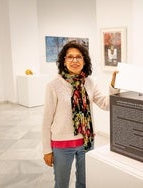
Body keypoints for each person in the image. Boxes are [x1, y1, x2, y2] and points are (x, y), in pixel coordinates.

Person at [42, 41, 119, 188]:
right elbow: (46, 121)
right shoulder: (54, 85)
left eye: (79, 57)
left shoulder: (89, 82)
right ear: (64, 61)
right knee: (61, 184)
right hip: (62, 145)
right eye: (70, 57)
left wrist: (114, 86)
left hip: (87, 143)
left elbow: (106, 104)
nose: (74, 60)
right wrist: (46, 150)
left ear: (84, 60)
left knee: (84, 182)